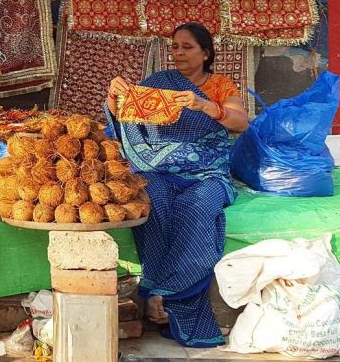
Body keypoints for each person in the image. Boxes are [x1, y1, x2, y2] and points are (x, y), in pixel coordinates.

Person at [106, 21, 248, 348]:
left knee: (197, 207)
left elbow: (240, 121)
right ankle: (163, 291)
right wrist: (115, 97)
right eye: (175, 47)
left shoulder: (219, 86)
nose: (179, 53)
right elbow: (126, 116)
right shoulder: (161, 83)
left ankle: (162, 293)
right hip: (160, 167)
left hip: (207, 172)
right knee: (151, 199)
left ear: (206, 53)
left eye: (187, 47)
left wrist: (204, 106)